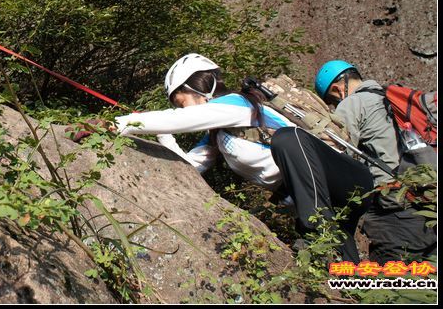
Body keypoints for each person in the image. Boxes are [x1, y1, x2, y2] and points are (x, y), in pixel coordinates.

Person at [115, 53, 374, 261]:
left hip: (346, 178)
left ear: (199, 86)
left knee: (288, 139)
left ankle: (316, 231)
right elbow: (187, 169)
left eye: (182, 102)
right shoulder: (218, 136)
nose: (182, 110)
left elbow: (183, 119)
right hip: (326, 201)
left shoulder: (237, 104)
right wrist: (163, 135)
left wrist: (119, 123)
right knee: (342, 268)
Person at [315, 60, 437, 262]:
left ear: (337, 89)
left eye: (332, 101)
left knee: (393, 273)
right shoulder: (392, 98)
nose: (335, 106)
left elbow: (336, 153)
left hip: (394, 210)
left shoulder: (352, 104)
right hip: (429, 202)